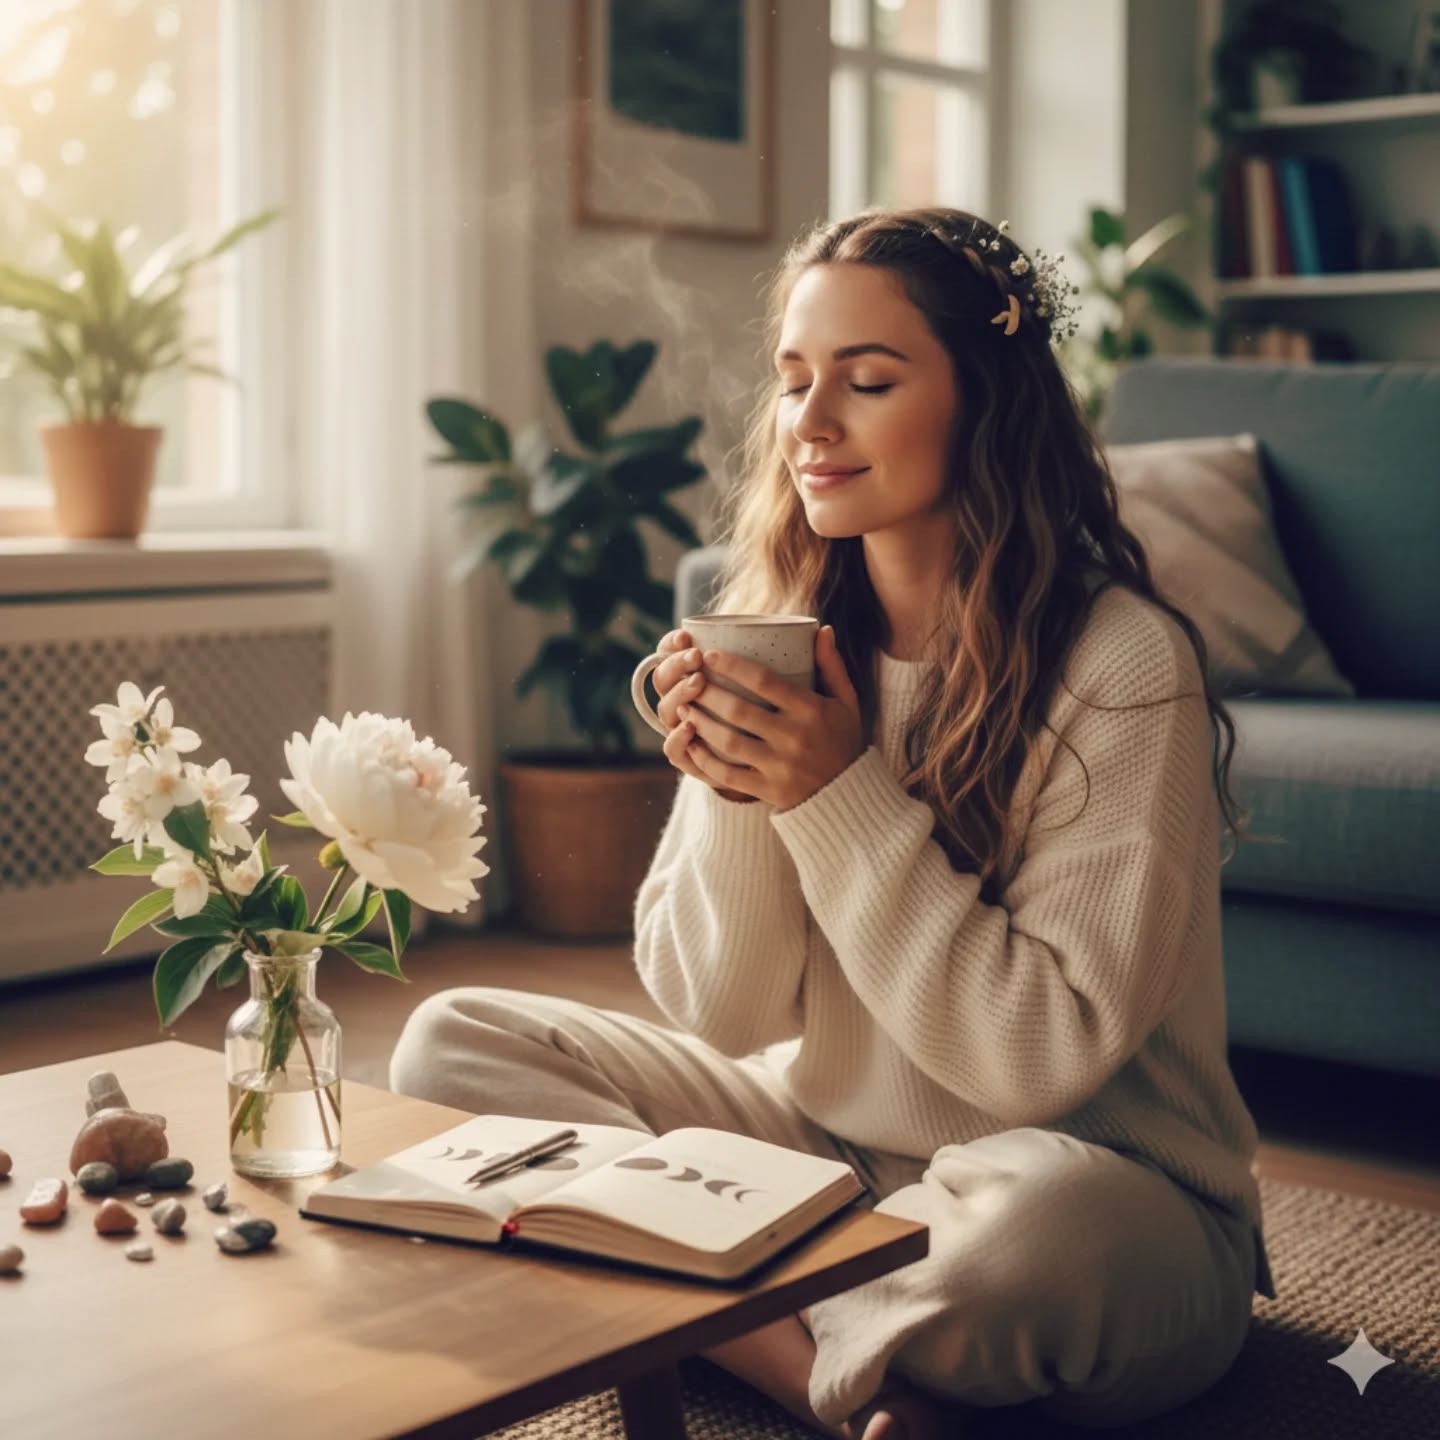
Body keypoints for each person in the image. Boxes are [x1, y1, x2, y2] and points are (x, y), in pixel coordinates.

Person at [389, 206, 1278, 1440]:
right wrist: (741, 787)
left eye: (866, 381)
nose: (809, 422)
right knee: (451, 1045)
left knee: (1034, 1245)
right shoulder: (782, 631)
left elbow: (1035, 1066)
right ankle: (835, 1377)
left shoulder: (1120, 662)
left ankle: (706, 1295)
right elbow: (726, 1013)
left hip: (1087, 1180)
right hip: (824, 1150)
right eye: (794, 378)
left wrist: (831, 789)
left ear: (984, 403)